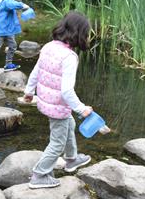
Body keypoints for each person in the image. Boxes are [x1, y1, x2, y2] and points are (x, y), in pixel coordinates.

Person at [23, 11, 93, 188]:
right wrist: (82, 108)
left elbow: (36, 71)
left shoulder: (48, 47)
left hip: (45, 101)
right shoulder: (69, 57)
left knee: (70, 125)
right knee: (57, 143)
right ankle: (39, 175)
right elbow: (67, 91)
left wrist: (29, 91)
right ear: (79, 33)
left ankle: (71, 159)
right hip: (58, 106)